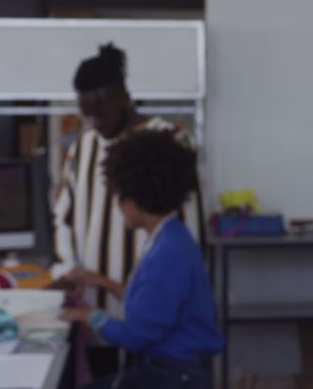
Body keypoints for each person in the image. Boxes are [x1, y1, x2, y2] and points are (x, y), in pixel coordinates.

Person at [51, 43, 206, 376]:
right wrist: (68, 268)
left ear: (124, 95)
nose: (95, 122)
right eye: (87, 114)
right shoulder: (84, 147)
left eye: (102, 112)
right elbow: (64, 216)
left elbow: (193, 231)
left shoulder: (170, 141)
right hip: (97, 308)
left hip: (155, 323)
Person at [60, 129, 224, 389]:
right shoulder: (173, 236)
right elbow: (150, 307)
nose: (117, 205)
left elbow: (136, 336)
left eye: (118, 196)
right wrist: (99, 281)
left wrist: (88, 315)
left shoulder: (166, 255)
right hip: (177, 371)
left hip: (173, 377)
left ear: (133, 198)